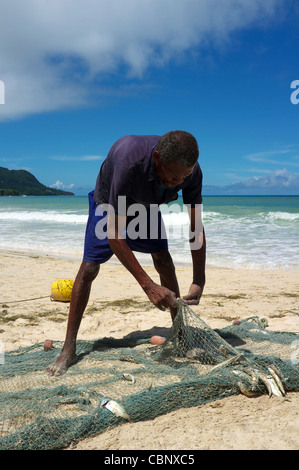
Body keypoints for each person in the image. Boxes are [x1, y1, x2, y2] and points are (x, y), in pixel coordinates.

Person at [46, 131, 206, 376]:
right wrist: (148, 285)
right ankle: (69, 348)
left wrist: (198, 280)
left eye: (183, 177)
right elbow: (114, 234)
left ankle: (181, 335)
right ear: (156, 158)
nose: (178, 182)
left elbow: (195, 227)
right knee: (89, 268)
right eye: (173, 176)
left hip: (147, 204)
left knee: (163, 260)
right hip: (109, 203)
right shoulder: (129, 162)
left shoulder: (190, 173)